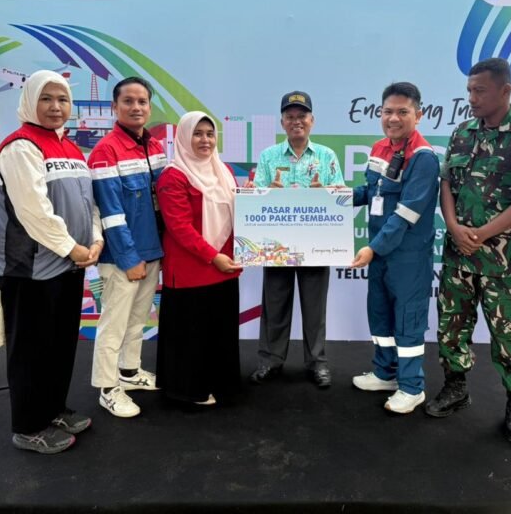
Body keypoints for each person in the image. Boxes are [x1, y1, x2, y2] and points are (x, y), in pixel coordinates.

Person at [426, 58, 511, 443]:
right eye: (469, 90)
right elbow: (446, 184)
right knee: (451, 325)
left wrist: (481, 233)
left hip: (504, 261)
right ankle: (455, 386)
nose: (472, 97)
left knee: (509, 333)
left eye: (480, 90)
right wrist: (452, 226)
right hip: (458, 254)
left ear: (505, 91)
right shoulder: (462, 133)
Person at [0, 70, 103, 454]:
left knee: (58, 345)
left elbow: (87, 202)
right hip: (29, 269)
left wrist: (96, 239)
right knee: (30, 350)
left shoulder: (70, 148)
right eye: (47, 99)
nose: (56, 107)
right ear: (29, 101)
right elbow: (33, 212)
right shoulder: (20, 147)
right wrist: (74, 248)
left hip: (69, 265)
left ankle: (53, 409)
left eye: (62, 100)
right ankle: (27, 426)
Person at [351, 81, 440, 414]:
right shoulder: (378, 148)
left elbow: (405, 214)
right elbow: (370, 191)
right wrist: (333, 197)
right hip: (380, 253)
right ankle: (385, 373)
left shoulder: (424, 158)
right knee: (380, 315)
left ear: (418, 114)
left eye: (402, 112)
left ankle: (411, 386)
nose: (394, 118)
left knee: (408, 320)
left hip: (407, 256)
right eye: (388, 111)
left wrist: (373, 248)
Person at [248, 91, 345, 389]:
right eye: (290, 116)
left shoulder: (326, 156)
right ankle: (271, 360)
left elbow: (340, 197)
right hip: (276, 246)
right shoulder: (268, 156)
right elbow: (255, 200)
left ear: (312, 120)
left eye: (302, 116)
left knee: (315, 310)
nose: (296, 121)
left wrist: (325, 194)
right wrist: (267, 193)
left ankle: (318, 362)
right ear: (282, 122)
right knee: (275, 306)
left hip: (314, 246)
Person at [88, 77, 167, 418]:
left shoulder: (155, 147)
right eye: (128, 101)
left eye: (142, 102)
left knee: (138, 320)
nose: (136, 107)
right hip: (122, 257)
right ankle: (107, 388)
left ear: (149, 107)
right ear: (114, 107)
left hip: (152, 250)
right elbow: (109, 213)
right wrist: (127, 258)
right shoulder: (106, 150)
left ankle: (130, 373)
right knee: (114, 324)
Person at [155, 111, 242, 405]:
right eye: (197, 133)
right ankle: (187, 389)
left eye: (209, 134)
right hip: (190, 268)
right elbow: (179, 227)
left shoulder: (223, 171)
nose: (204, 140)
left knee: (219, 329)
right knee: (190, 333)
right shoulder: (173, 175)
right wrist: (212, 256)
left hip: (224, 265)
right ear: (183, 137)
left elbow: (239, 214)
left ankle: (221, 382)